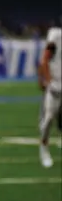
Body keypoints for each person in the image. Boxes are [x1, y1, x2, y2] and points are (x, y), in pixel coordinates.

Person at [37, 23, 62, 168]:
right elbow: (45, 58)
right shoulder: (56, 36)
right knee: (48, 120)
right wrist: (46, 79)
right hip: (55, 85)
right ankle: (44, 148)